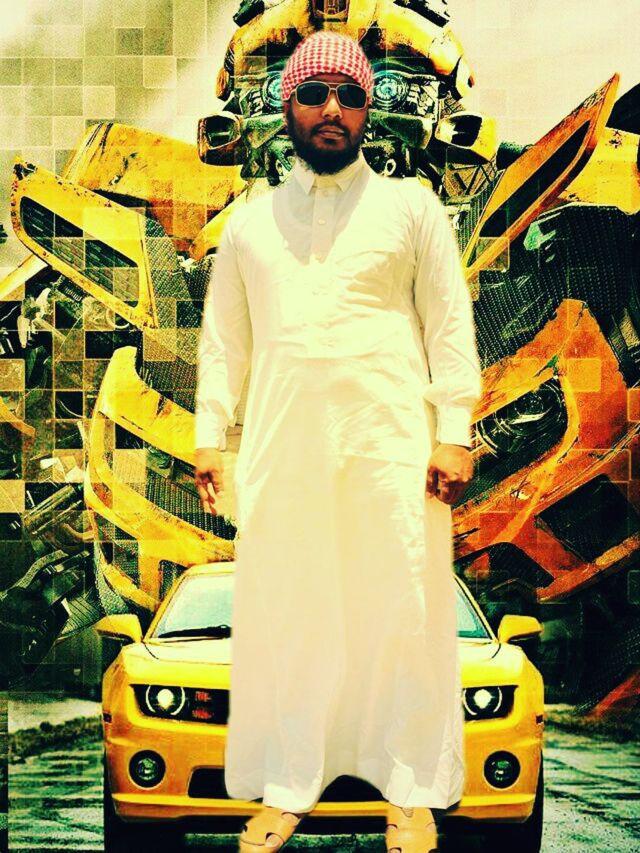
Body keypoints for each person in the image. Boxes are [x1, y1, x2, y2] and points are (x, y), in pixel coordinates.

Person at [195, 30, 482, 853]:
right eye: (316, 93)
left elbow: (449, 326)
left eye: (351, 96)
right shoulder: (249, 224)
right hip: (283, 450)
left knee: (403, 610)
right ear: (288, 105)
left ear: (367, 111)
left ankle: (411, 792)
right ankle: (288, 787)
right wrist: (211, 437)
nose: (333, 109)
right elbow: (224, 343)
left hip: (393, 449)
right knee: (291, 611)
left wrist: (456, 431)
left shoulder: (411, 209)